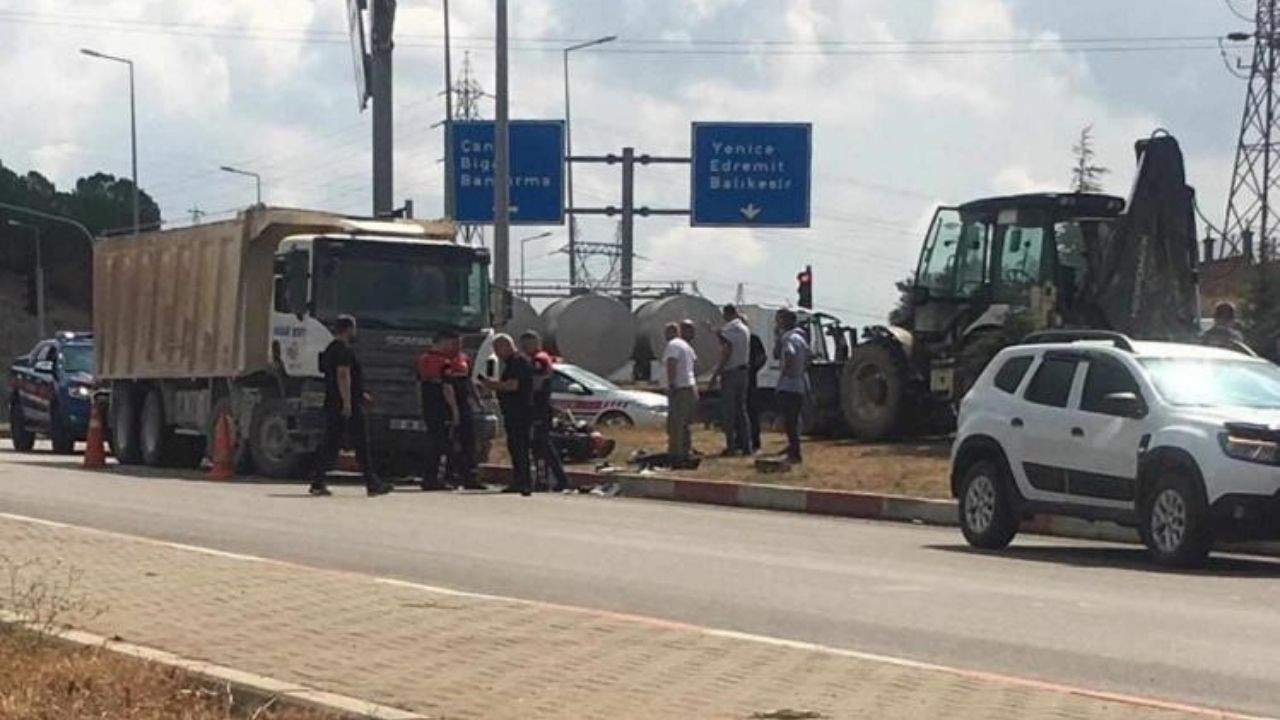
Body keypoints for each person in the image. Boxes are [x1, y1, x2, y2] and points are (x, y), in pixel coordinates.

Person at [309, 315, 392, 497]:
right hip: (347, 405)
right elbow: (343, 375)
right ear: (348, 329)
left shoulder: (330, 349)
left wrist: (360, 393)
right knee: (361, 444)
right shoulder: (344, 350)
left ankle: (318, 481)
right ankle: (372, 483)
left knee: (331, 443)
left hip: (333, 402)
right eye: (353, 328)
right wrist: (347, 402)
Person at [480, 334, 535, 496]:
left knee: (520, 447)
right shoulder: (511, 362)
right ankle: (519, 480)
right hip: (513, 412)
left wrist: (491, 385)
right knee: (514, 447)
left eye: (498, 349)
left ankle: (524, 482)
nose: (496, 353)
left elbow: (512, 385)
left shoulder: (518, 362)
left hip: (521, 412)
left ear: (507, 346)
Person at [520, 330, 569, 492]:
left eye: (526, 344)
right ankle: (545, 479)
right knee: (539, 446)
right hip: (541, 406)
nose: (524, 348)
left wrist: (527, 398)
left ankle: (558, 479)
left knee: (543, 445)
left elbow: (537, 383)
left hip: (538, 408)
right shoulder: (538, 358)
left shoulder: (539, 360)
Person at [417, 331, 461, 491]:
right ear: (443, 342)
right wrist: (454, 409)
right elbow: (447, 387)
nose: (455, 347)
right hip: (442, 408)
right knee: (442, 444)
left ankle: (427, 477)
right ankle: (436, 478)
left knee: (431, 441)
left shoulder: (423, 359)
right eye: (453, 343)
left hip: (428, 406)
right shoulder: (444, 362)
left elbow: (419, 384)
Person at [711, 304, 752, 456]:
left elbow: (727, 350)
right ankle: (747, 445)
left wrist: (717, 373)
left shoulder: (731, 328)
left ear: (727, 314)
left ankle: (731, 446)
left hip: (731, 372)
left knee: (728, 411)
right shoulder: (745, 328)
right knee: (742, 410)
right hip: (743, 371)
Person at [774, 308, 810, 464]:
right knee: (794, 419)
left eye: (779, 320)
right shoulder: (802, 338)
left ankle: (795, 453)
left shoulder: (788, 338)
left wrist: (786, 371)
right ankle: (793, 448)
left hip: (788, 384)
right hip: (799, 383)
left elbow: (789, 354)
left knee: (789, 421)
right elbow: (808, 358)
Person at [663, 321, 699, 465]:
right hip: (690, 386)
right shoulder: (686, 346)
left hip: (680, 388)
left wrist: (672, 384)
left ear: (672, 332)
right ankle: (685, 452)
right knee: (684, 424)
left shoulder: (673, 345)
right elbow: (693, 364)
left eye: (666, 332)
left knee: (675, 423)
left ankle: (676, 455)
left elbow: (672, 363)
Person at [746, 331, 768, 453]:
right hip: (741, 377)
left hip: (750, 380)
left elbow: (763, 357)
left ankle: (755, 440)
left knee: (752, 410)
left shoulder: (753, 338)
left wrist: (753, 369)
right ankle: (741, 440)